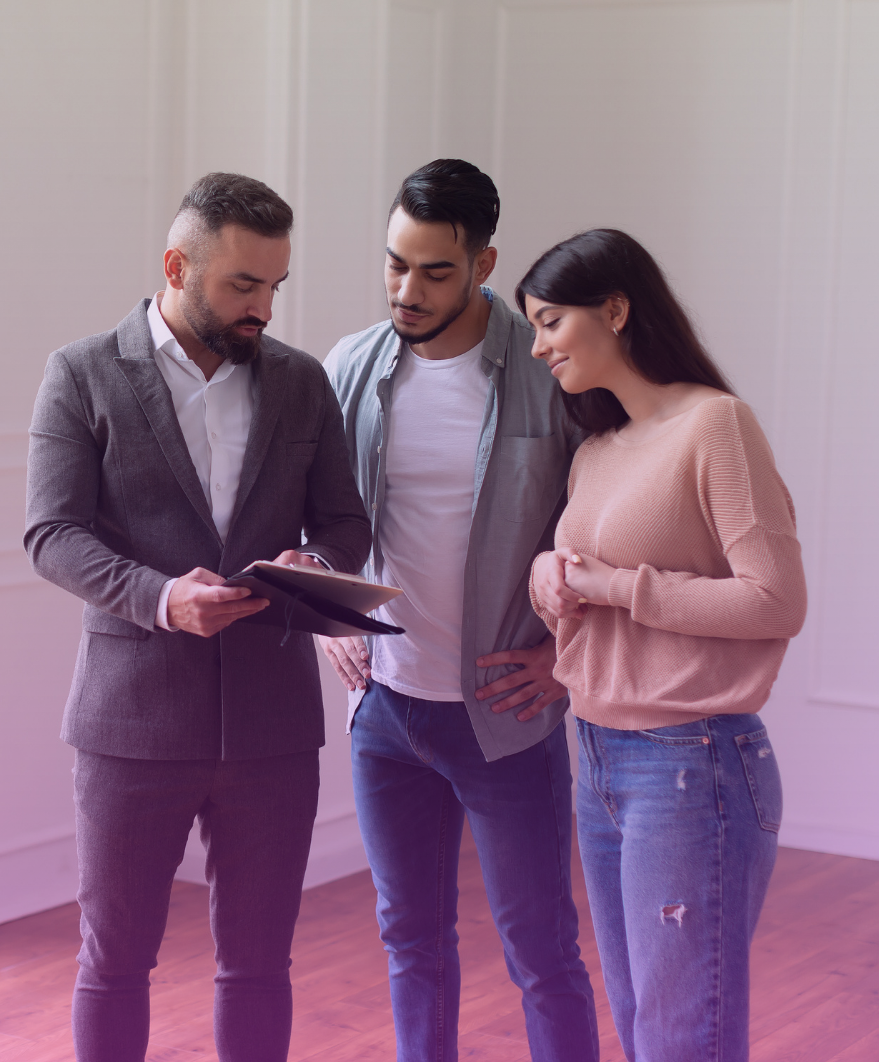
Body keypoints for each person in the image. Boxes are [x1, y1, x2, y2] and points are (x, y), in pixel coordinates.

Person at [25, 171, 372, 1062]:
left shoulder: (299, 382)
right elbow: (52, 534)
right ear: (177, 265)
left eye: (274, 286)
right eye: (242, 285)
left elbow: (344, 522)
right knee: (116, 961)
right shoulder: (82, 373)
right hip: (130, 719)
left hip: (273, 727)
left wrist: (317, 566)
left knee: (260, 963)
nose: (262, 307)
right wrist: (161, 599)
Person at [321, 158, 601, 1062]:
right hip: (387, 713)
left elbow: (611, 530)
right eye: (395, 263)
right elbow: (320, 518)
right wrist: (329, 614)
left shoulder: (547, 371)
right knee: (411, 943)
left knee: (542, 953)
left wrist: (565, 661)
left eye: (435, 270)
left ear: (484, 265)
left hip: (505, 716)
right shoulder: (350, 368)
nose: (407, 289)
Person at [519, 228, 806, 1062]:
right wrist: (549, 574)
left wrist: (610, 586)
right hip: (599, 752)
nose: (537, 346)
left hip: (691, 762)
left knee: (685, 1038)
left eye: (550, 323)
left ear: (614, 310)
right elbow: (588, 569)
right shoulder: (598, 448)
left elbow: (775, 600)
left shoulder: (716, 426)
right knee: (646, 1025)